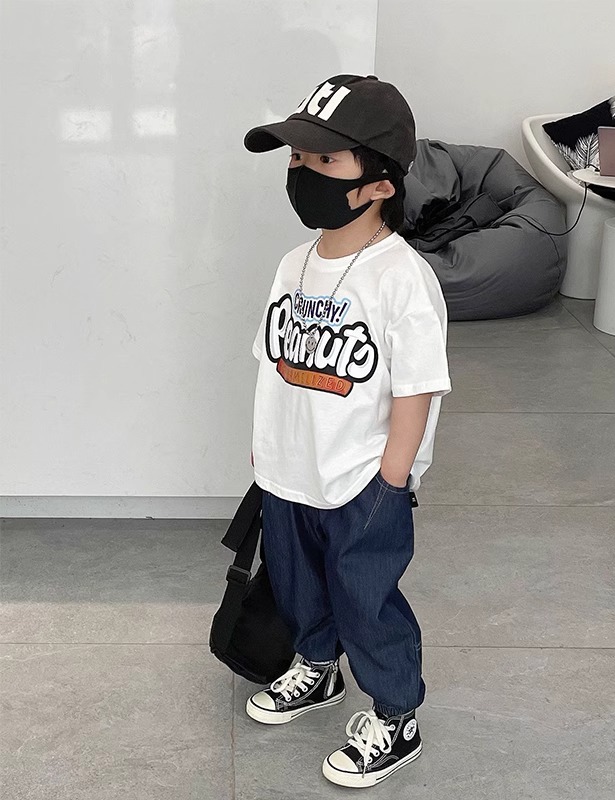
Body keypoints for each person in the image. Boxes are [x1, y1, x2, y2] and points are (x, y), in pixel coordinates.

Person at [243, 74, 451, 789]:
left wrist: (392, 476)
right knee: (299, 585)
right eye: (297, 158)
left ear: (380, 184)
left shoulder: (401, 278)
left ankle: (396, 713)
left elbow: (417, 385)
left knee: (367, 599)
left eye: (324, 159)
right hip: (289, 470)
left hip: (363, 476)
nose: (303, 171)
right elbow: (274, 363)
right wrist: (266, 447)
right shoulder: (292, 264)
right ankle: (318, 666)